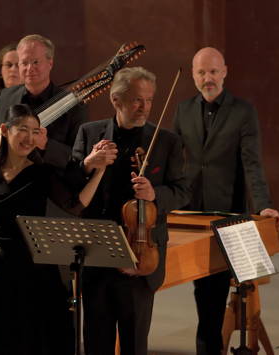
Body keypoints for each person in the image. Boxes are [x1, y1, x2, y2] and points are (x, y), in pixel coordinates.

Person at [0, 104, 108, 355]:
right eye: (23, 130)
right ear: (4, 130)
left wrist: (99, 173)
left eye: (35, 131)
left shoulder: (42, 174)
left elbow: (75, 205)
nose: (29, 138)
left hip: (38, 273)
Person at [69, 67, 189, 355]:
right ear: (116, 100)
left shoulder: (167, 141)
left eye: (149, 100)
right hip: (97, 254)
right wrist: (88, 163)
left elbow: (183, 191)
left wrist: (155, 195)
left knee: (135, 344)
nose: (144, 108)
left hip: (141, 256)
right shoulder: (89, 133)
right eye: (136, 100)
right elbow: (69, 184)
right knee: (96, 343)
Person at [172, 47, 279, 355]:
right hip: (191, 214)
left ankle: (212, 345)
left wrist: (263, 205)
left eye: (213, 71)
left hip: (229, 215)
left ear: (225, 71)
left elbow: (252, 164)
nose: (208, 78)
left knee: (221, 290)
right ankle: (207, 344)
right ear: (193, 75)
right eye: (201, 72)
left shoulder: (242, 111)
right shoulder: (182, 110)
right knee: (203, 292)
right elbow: (173, 163)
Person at [0, 34, 87, 169]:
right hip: (7, 182)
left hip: (49, 183)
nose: (29, 68)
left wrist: (46, 144)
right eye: (24, 63)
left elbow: (79, 158)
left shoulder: (73, 104)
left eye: (35, 62)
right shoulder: (5, 96)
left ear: (50, 63)